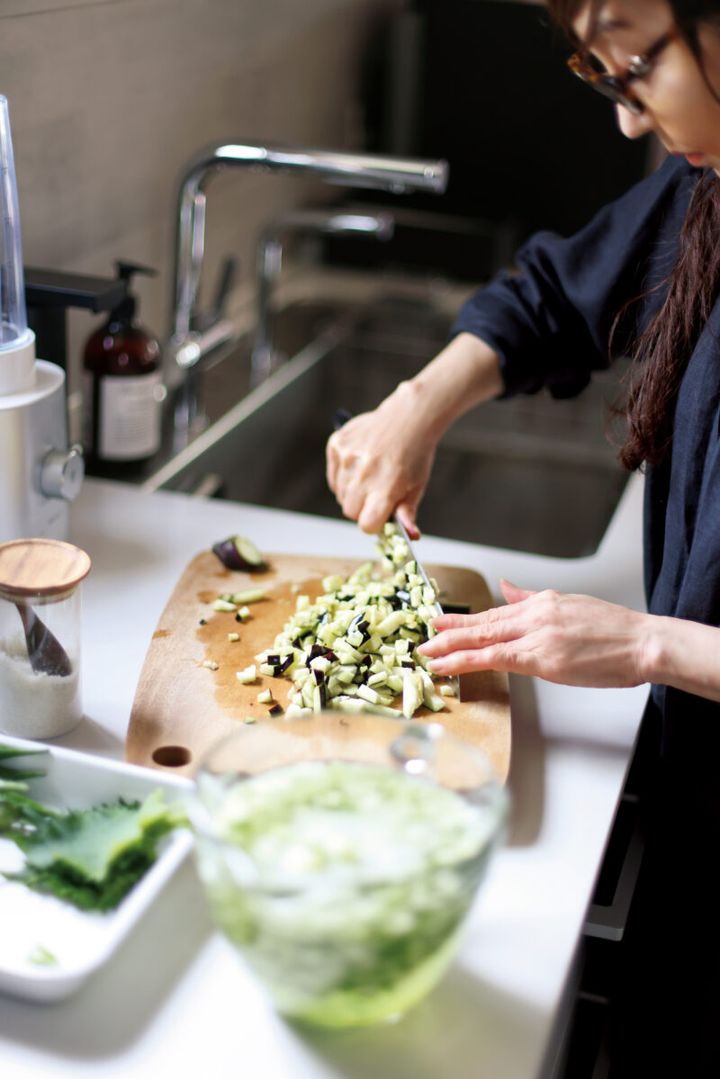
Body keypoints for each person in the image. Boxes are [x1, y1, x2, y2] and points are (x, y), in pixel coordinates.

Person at [326, 0, 720, 1071]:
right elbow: (556, 295)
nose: (632, 121)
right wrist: (418, 402)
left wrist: (656, 645)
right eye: (607, 80)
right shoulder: (711, 184)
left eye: (636, 64)